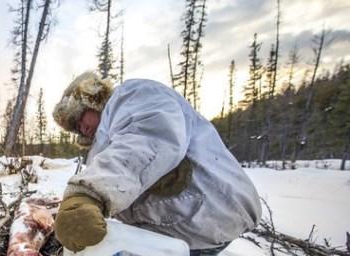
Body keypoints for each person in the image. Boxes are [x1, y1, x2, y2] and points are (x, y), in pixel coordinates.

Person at [51, 71, 261, 255]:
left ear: (91, 99)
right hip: (182, 231)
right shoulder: (102, 144)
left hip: (211, 213)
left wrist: (89, 194)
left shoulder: (132, 95)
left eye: (80, 118)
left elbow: (147, 138)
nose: (81, 128)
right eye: (76, 128)